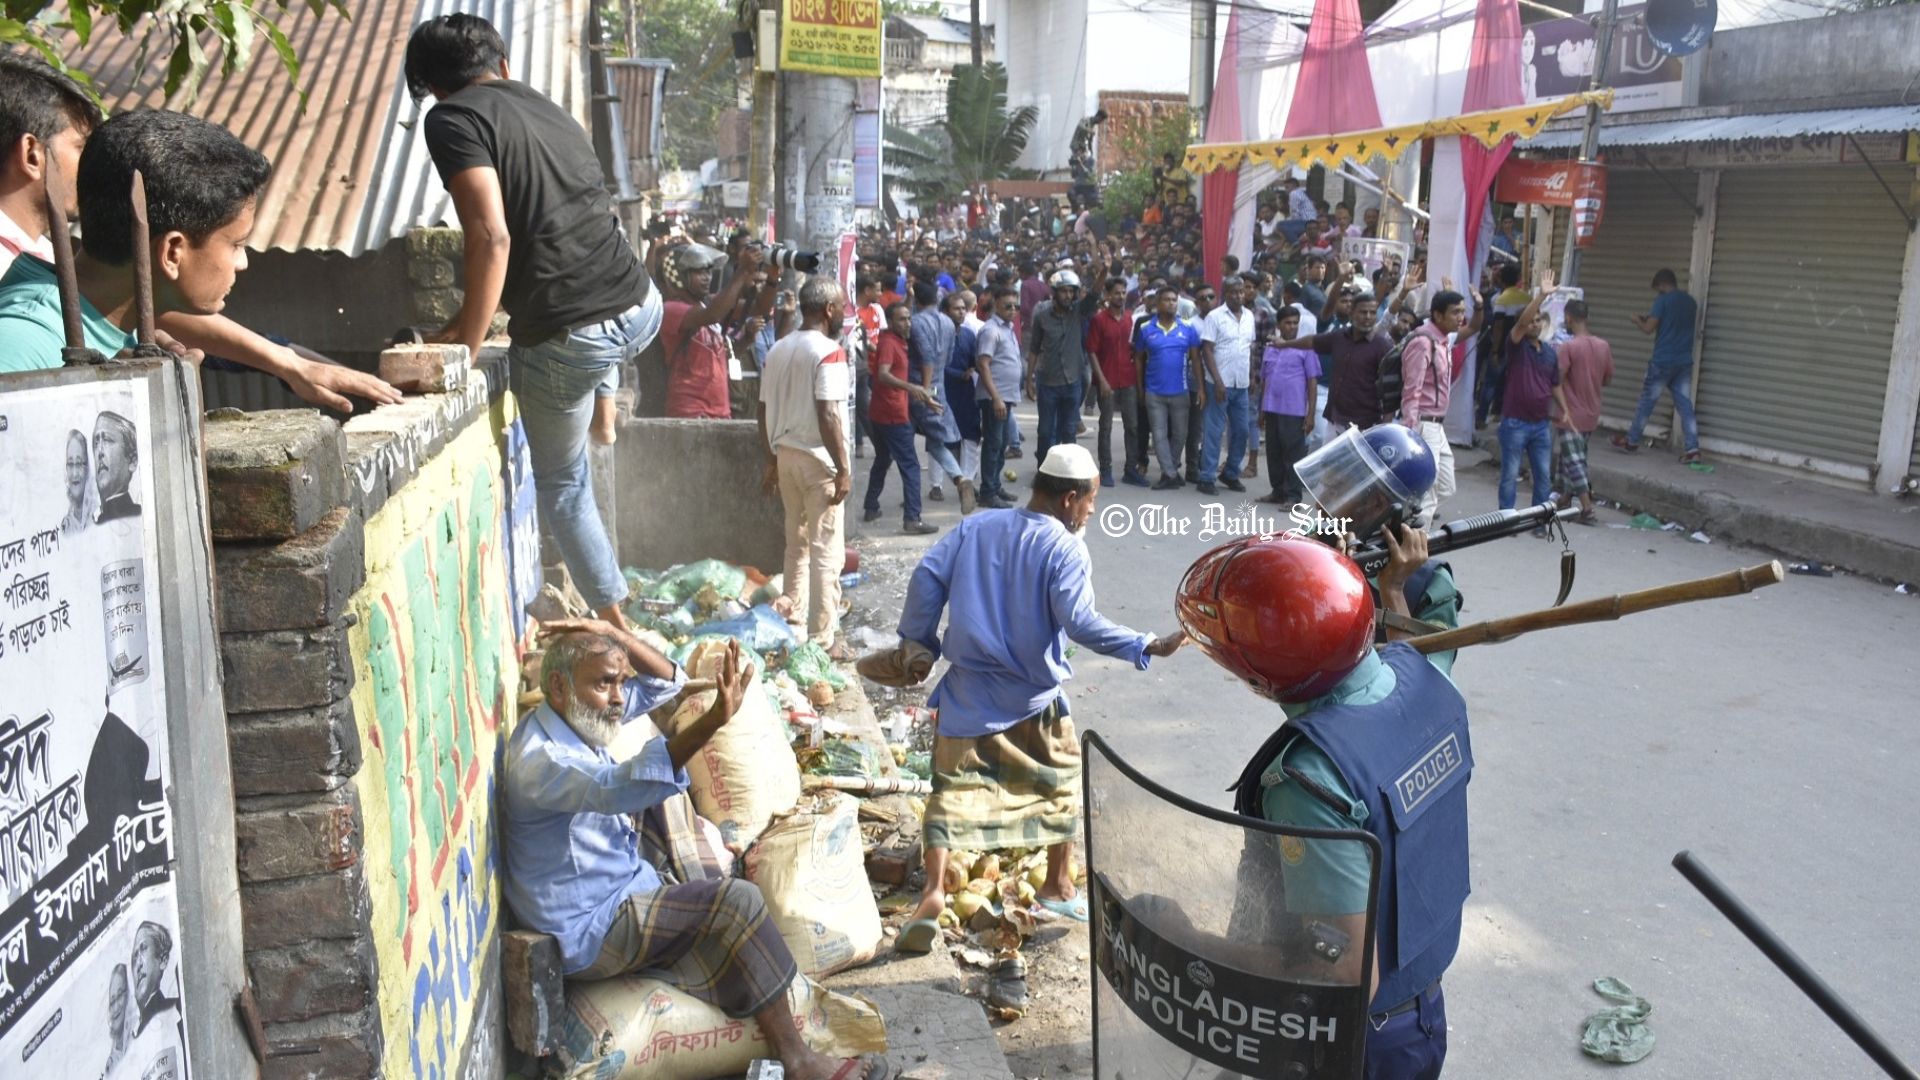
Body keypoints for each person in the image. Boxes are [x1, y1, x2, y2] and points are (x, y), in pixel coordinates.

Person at [503, 625, 894, 1080]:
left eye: (619, 682)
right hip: (591, 926)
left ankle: (767, 1016)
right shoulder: (541, 761)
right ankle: (799, 1059)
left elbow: (667, 684)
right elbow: (617, 788)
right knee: (738, 902)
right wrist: (712, 721)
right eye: (603, 683)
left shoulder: (577, 712)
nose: (616, 698)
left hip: (617, 889)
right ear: (558, 686)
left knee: (688, 855)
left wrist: (612, 632)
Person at [408, 13, 665, 627]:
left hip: (575, 334)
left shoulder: (450, 119)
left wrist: (463, 348)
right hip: (639, 305)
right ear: (501, 66)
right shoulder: (548, 107)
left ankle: (618, 627)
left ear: (433, 87)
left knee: (563, 486)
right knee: (586, 360)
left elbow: (491, 236)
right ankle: (602, 416)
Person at [893, 445, 1188, 951]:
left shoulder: (976, 527)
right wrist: (1146, 644)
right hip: (1033, 699)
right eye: (1090, 501)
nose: (1092, 511)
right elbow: (1081, 623)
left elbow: (927, 575)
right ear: (1069, 498)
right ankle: (1057, 884)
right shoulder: (1065, 548)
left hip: (968, 691)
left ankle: (935, 891)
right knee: (1060, 789)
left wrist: (919, 643)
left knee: (948, 795)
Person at [1196, 527, 1465, 1080]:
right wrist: (1393, 593)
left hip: (1345, 1042)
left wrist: (1188, 942)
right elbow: (1412, 654)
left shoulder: (1308, 780)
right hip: (1419, 1013)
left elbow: (1341, 970)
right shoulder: (1430, 682)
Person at [0, 57, 399, 410]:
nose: (243, 262)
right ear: (172, 253)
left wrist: (288, 360)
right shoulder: (23, 345)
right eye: (238, 244)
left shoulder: (101, 303)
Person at [757, 277, 853, 656]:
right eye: (841, 305)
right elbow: (828, 412)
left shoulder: (778, 349)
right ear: (829, 309)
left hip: (785, 455)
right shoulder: (829, 351)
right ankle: (821, 640)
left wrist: (769, 459)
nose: (844, 312)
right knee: (826, 550)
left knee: (795, 544)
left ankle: (791, 615)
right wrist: (843, 467)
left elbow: (761, 410)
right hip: (818, 459)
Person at [657, 241, 771, 419]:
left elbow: (760, 308)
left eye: (708, 271)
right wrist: (742, 272)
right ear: (678, 276)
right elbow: (714, 315)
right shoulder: (672, 309)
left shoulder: (708, 304)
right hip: (691, 412)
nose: (707, 277)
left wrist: (773, 277)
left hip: (720, 411)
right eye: (699, 271)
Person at [864, 302, 941, 536]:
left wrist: (923, 396)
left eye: (908, 318)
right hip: (892, 414)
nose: (907, 323)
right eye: (901, 319)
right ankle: (912, 519)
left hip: (883, 411)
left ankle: (871, 506)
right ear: (890, 321)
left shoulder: (897, 341)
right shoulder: (889, 343)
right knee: (911, 466)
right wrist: (911, 387)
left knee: (883, 459)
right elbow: (884, 374)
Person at [1500, 273, 1574, 514]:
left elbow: (1555, 385)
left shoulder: (1549, 354)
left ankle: (1539, 520)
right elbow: (1521, 324)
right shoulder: (1516, 347)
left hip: (1540, 424)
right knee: (1510, 475)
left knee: (1543, 476)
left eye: (1539, 320)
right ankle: (1504, 519)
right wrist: (1542, 295)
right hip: (1515, 422)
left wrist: (1564, 410)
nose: (1534, 324)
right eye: (1532, 320)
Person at [1614, 267, 1702, 463]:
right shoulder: (1690, 302)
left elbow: (1648, 328)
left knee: (1647, 402)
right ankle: (1693, 448)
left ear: (1662, 284)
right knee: (1685, 405)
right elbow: (1675, 324)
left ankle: (1632, 440)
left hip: (1662, 361)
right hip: (1683, 361)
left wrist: (1637, 320)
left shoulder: (1662, 301)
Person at [1398, 289, 1468, 525]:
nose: (1460, 317)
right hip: (1423, 424)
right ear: (1437, 315)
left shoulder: (1442, 341)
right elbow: (1412, 389)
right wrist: (1410, 430)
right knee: (1427, 492)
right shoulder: (1422, 342)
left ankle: (1404, 524)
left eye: (1462, 312)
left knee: (1446, 486)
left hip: (1437, 426)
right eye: (1455, 312)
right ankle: (1417, 546)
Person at [1275, 294, 1393, 432]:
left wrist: (1384, 429)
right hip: (1335, 420)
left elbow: (1391, 392)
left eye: (1372, 313)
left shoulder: (1382, 347)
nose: (1368, 317)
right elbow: (1311, 341)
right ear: (1352, 313)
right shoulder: (1339, 337)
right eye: (1363, 312)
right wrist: (1285, 344)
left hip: (1365, 426)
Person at [1024, 268, 1100, 469]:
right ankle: (1043, 471)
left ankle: (1067, 473)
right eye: (1064, 291)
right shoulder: (1042, 315)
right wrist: (1028, 379)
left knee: (1069, 431)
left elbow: (1094, 295)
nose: (1068, 296)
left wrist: (1105, 269)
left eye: (1071, 291)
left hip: (1072, 382)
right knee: (1046, 432)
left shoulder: (1077, 312)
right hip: (1048, 382)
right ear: (1054, 292)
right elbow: (1034, 348)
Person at [909, 279, 970, 509]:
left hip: (920, 388)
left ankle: (957, 477)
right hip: (939, 385)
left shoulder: (915, 322)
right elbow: (951, 354)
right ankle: (958, 477)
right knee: (934, 439)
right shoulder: (947, 321)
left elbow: (926, 357)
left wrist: (924, 390)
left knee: (915, 440)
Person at [1135, 287, 1203, 490]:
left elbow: (1196, 359)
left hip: (1180, 391)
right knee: (1159, 434)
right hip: (1154, 392)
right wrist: (1140, 389)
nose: (1171, 303)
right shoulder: (1146, 328)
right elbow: (1138, 360)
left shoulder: (1187, 327)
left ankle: (1170, 471)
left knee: (1180, 434)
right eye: (1166, 300)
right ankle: (1169, 474)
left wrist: (1200, 387)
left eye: (1174, 300)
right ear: (1158, 302)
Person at [1552, 299, 1614, 523]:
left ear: (1568, 318)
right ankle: (1565, 499)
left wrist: (1562, 404)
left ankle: (1587, 508)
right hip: (1592, 411)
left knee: (1574, 461)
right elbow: (1607, 378)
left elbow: (1556, 378)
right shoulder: (1603, 346)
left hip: (1571, 412)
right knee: (1573, 457)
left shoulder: (1568, 347)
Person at [1197, 275, 1256, 495]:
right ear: (1225, 293)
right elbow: (1207, 350)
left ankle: (1230, 472)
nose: (1239, 295)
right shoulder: (1214, 317)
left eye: (1241, 291)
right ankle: (1207, 477)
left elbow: (1247, 349)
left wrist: (1250, 376)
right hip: (1219, 384)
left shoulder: (1249, 316)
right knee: (1214, 431)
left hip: (1241, 384)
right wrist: (1218, 381)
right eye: (1234, 292)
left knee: (1241, 431)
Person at [1254, 306, 1320, 506]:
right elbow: (1265, 380)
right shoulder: (1271, 347)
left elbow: (1312, 382)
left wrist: (1310, 415)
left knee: (1293, 454)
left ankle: (1293, 496)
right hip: (1271, 408)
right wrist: (1262, 411)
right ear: (1279, 325)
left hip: (1294, 410)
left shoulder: (1306, 348)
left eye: (1295, 323)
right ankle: (1277, 491)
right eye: (1287, 323)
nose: (1292, 326)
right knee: (1273, 452)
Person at [1085, 276, 1145, 487]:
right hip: (1107, 379)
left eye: (1123, 292)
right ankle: (1106, 469)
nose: (1120, 296)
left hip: (1127, 378)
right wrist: (1101, 380)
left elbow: (1135, 351)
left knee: (1133, 425)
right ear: (1107, 295)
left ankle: (1131, 469)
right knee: (1106, 425)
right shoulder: (1099, 320)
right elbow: (1091, 351)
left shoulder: (1131, 319)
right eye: (1116, 293)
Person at [974, 287, 1024, 509]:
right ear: (996, 304)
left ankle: (995, 486)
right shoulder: (990, 330)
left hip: (1006, 396)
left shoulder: (1008, 329)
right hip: (995, 397)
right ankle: (987, 491)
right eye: (1008, 306)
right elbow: (983, 364)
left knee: (1002, 442)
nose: (1012, 310)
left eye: (1015, 306)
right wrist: (996, 398)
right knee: (993, 444)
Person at [943, 290, 985, 511]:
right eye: (955, 309)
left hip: (965, 392)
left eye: (962, 308)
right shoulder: (940, 335)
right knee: (946, 440)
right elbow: (936, 366)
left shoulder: (969, 335)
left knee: (970, 436)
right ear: (945, 312)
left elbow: (974, 361)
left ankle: (967, 482)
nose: (960, 312)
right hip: (944, 391)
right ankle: (940, 484)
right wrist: (959, 374)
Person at [130, 921, 180, 1037]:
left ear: (163, 960)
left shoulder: (174, 1009)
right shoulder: (132, 1034)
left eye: (143, 949)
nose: (138, 964)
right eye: (135, 956)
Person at [93, 410, 141, 522]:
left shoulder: (137, 516)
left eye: (107, 440)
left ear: (132, 462)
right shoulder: (92, 521)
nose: (99, 452)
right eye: (96, 443)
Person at [61, 428, 96, 534]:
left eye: (79, 463)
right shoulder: (65, 526)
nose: (75, 473)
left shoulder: (98, 515)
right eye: (70, 464)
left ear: (87, 468)